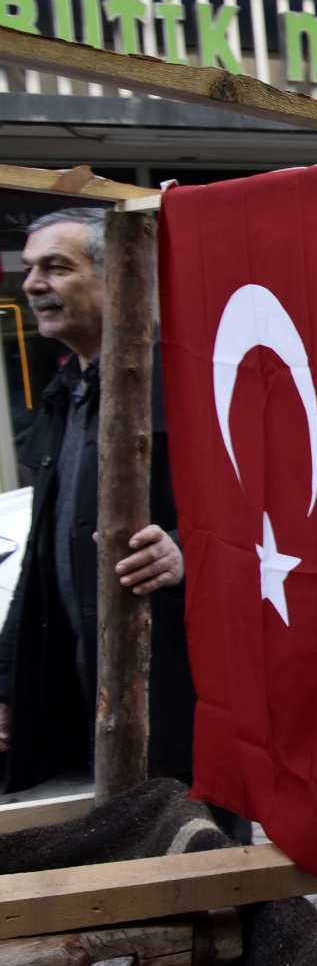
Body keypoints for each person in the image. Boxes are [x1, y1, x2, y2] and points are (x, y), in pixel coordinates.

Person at [0, 207, 191, 793]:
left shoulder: (190, 386)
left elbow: (275, 516)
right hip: (84, 711)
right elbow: (40, 560)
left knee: (198, 867)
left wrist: (188, 551)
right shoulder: (65, 398)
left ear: (122, 276)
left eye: (56, 268)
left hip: (178, 710)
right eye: (31, 269)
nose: (33, 285)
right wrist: (9, 684)